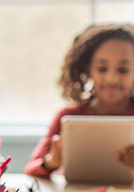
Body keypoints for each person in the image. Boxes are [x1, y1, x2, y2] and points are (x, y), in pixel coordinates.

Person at [24, 24, 134, 177]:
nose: (112, 79)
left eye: (123, 70)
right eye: (102, 69)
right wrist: (52, 161)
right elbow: (31, 169)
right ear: (87, 70)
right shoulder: (68, 116)